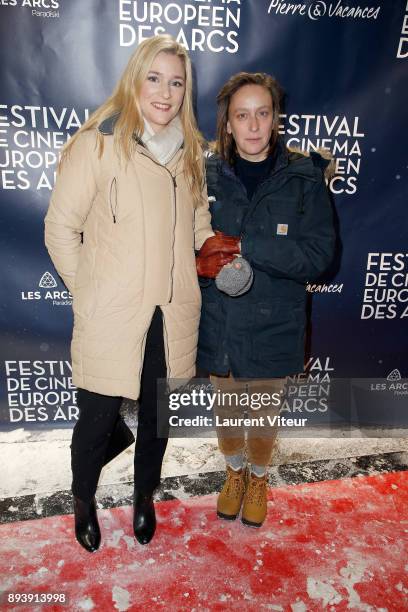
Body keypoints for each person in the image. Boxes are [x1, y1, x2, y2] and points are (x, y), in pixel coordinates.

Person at [44, 34, 238, 553]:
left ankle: (143, 498)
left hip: (172, 312)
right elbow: (60, 229)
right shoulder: (98, 143)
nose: (166, 91)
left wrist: (208, 242)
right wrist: (89, 293)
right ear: (134, 80)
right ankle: (83, 501)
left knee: (156, 419)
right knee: (97, 422)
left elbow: (197, 219)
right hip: (111, 311)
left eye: (176, 82)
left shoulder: (190, 153)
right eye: (154, 78)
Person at [196, 72, 336, 528]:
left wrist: (247, 245)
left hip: (276, 322)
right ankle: (233, 474)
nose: (253, 125)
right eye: (242, 115)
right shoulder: (205, 173)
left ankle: (258, 478)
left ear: (275, 118)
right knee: (227, 409)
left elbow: (321, 257)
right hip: (221, 321)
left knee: (262, 412)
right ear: (228, 123)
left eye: (262, 113)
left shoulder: (303, 178)